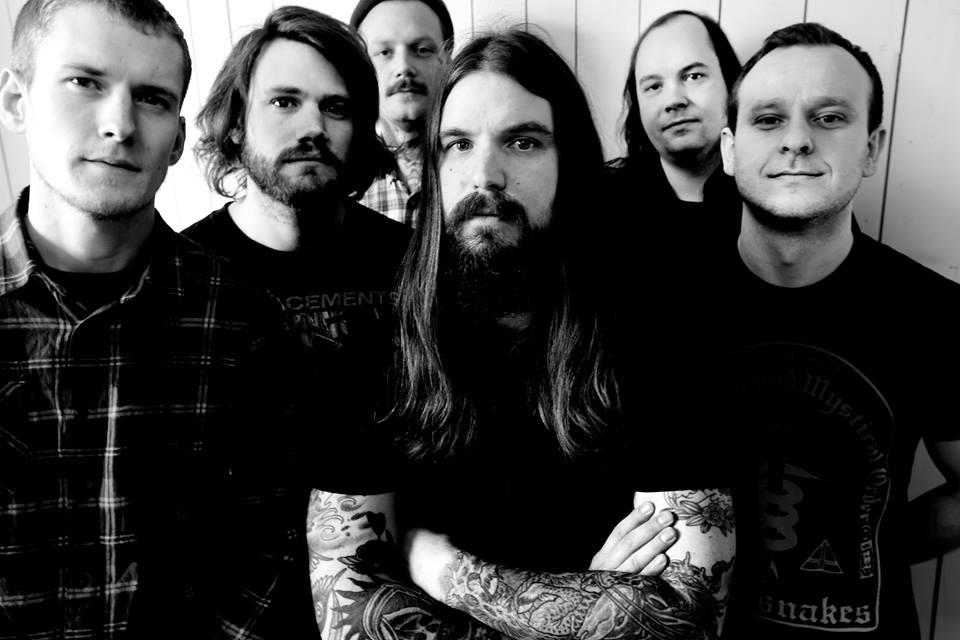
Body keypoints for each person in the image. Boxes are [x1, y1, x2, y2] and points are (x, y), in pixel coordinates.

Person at [308, 29, 736, 640]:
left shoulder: (660, 343)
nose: (485, 175)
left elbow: (686, 621)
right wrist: (586, 609)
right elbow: (348, 618)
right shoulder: (371, 355)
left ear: (571, 166)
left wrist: (448, 572)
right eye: (458, 144)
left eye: (523, 141)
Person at [0, 0, 296, 637]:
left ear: (179, 140)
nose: (120, 124)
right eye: (85, 82)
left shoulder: (244, 321)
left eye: (153, 99)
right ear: (17, 101)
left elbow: (268, 551)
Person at [715, 22, 960, 639]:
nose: (797, 140)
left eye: (829, 118)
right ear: (729, 149)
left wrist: (874, 549)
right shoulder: (657, 304)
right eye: (768, 119)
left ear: (872, 148)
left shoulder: (937, 315)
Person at [184, 8, 411, 637]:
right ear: (236, 124)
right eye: (285, 101)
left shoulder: (411, 262)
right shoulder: (187, 277)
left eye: (336, 108)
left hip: (396, 599)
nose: (313, 127)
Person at [608, 10, 741, 249]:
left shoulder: (768, 199)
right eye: (654, 86)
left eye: (693, 76)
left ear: (731, 83)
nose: (673, 100)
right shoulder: (600, 203)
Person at [350, 0, 454, 226]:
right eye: (384, 52)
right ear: (360, 67)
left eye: (422, 50)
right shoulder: (340, 184)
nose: (404, 67)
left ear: (448, 60)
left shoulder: (477, 173)